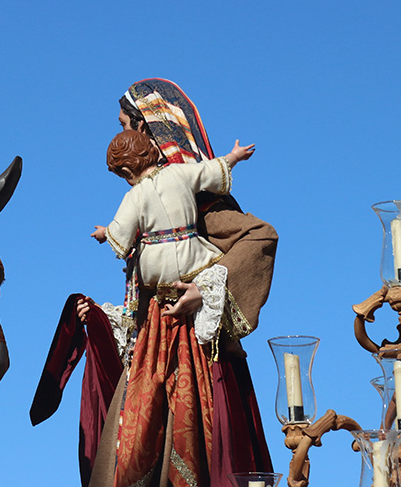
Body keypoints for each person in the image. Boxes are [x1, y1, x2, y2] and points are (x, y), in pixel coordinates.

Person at [81, 78, 276, 487]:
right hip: (153, 342)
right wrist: (102, 318)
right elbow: (138, 286)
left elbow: (262, 236)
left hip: (199, 354)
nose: (120, 136)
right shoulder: (147, 205)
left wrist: (203, 291)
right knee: (130, 449)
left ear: (148, 130)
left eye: (125, 125)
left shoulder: (202, 205)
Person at [91, 129, 255, 349]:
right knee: (212, 284)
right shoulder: (178, 172)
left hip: (158, 269)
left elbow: (121, 229)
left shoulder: (134, 195)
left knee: (153, 301)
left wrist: (104, 233)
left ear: (127, 170)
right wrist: (234, 156)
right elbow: (209, 171)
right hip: (193, 255)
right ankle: (224, 338)